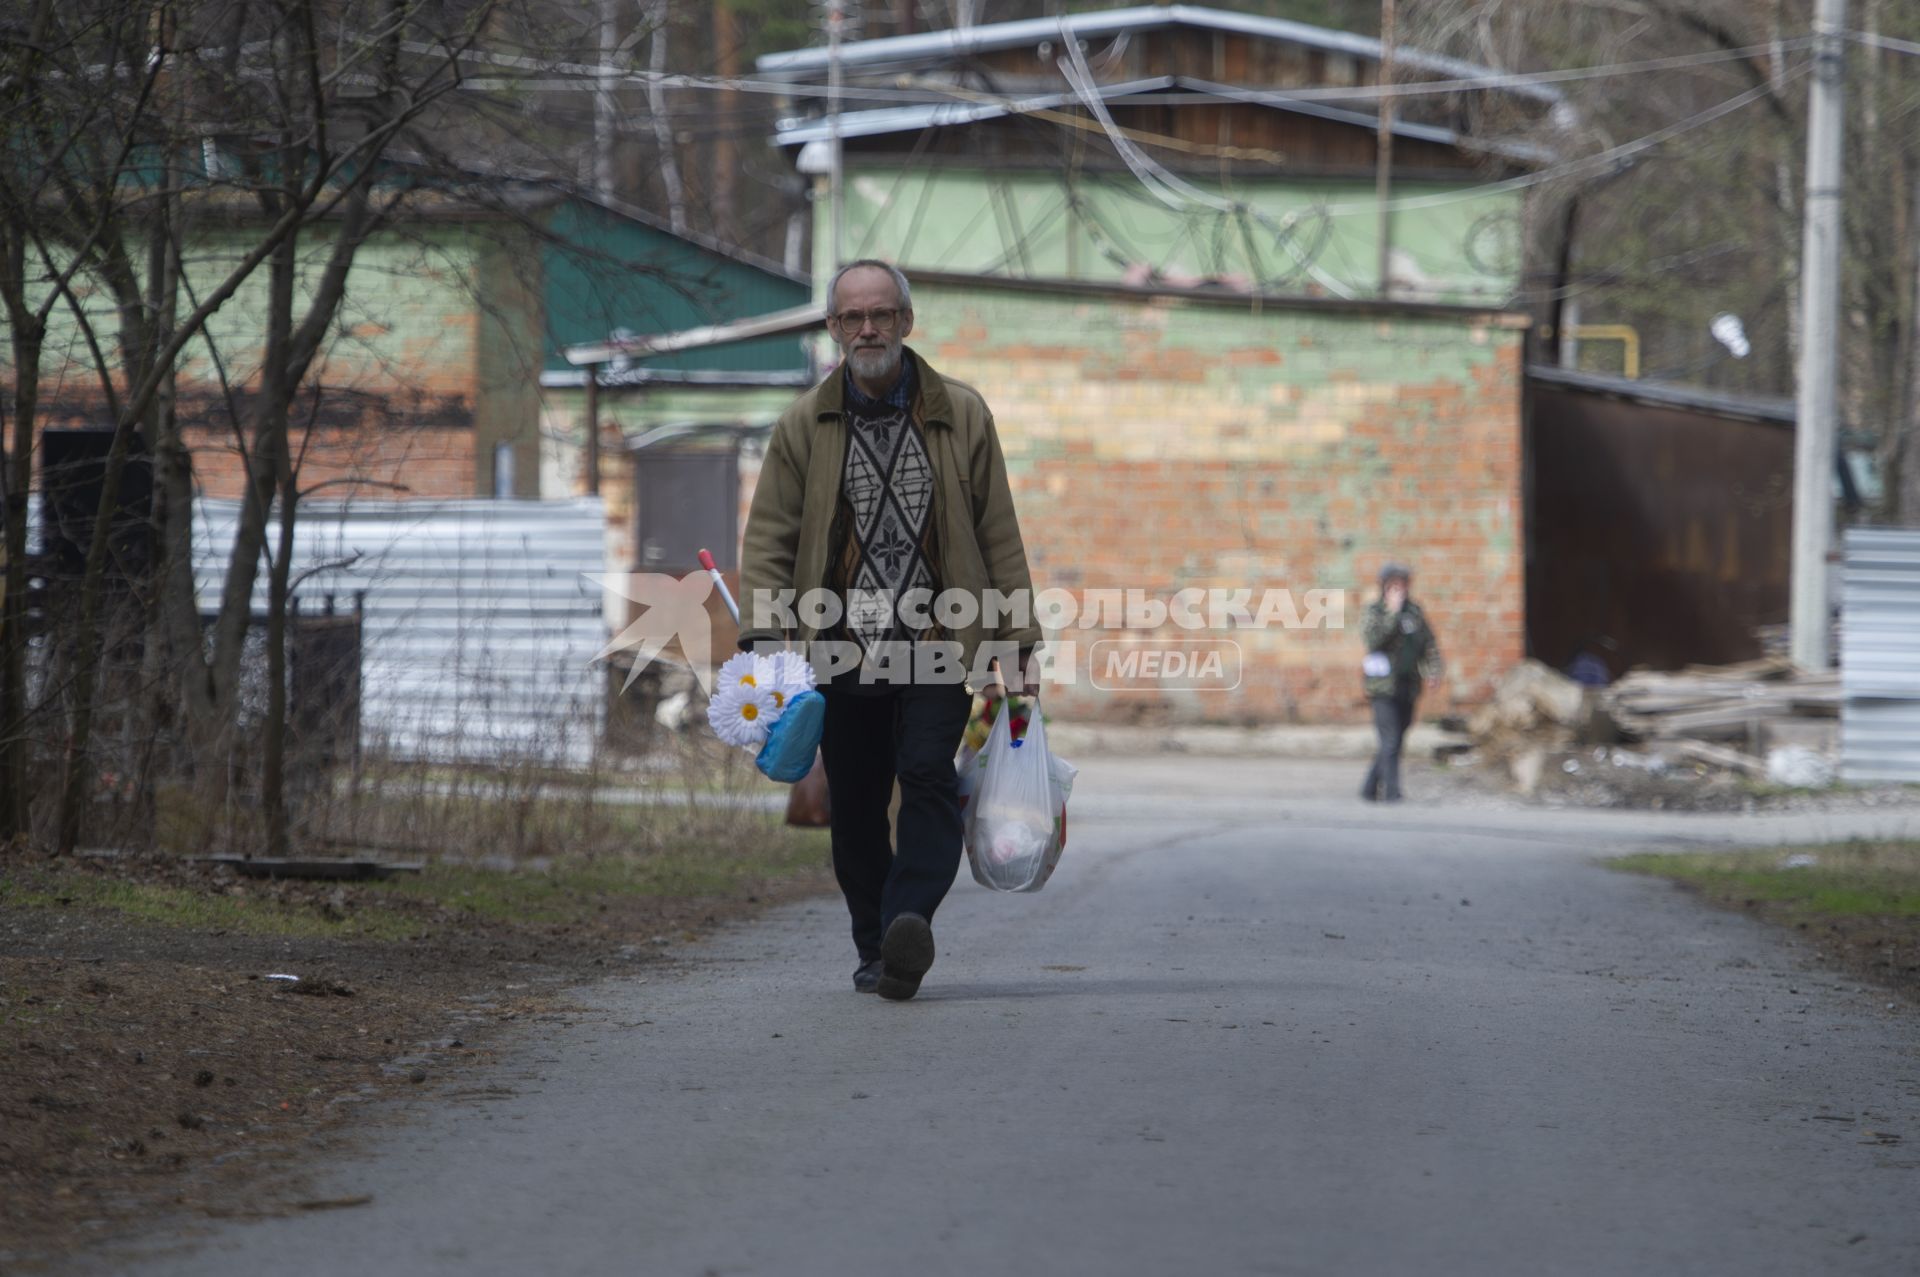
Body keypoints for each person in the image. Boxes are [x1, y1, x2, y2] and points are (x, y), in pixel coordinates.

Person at [738, 260, 1042, 1001]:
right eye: (851, 317)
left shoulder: (961, 414)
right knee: (856, 800)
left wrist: (1016, 647)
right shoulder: (802, 424)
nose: (867, 328)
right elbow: (771, 539)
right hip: (838, 646)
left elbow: (998, 535)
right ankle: (877, 945)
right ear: (834, 329)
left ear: (907, 322)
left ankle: (911, 919)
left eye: (880, 314)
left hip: (941, 640)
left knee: (930, 778)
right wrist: (767, 647)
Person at [1360, 563, 1442, 803]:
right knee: (1391, 738)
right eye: (1394, 584)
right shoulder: (1374, 612)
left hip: (1409, 684)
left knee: (1396, 737)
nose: (1400, 589)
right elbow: (1374, 640)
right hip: (1382, 687)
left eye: (1403, 584)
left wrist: (1433, 671)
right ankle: (1392, 792)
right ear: (1384, 586)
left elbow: (1429, 644)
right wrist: (1392, 613)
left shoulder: (1414, 613)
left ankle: (1369, 787)